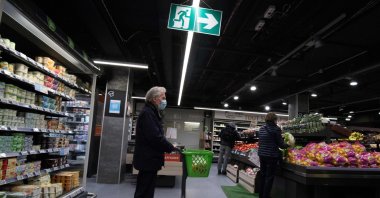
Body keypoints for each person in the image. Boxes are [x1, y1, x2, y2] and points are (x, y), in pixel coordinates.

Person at [133, 86, 176, 198]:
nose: (164, 100)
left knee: (147, 190)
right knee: (144, 191)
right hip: (148, 159)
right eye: (163, 97)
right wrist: (171, 148)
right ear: (155, 98)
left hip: (150, 160)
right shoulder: (148, 113)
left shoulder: (152, 112)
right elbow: (155, 137)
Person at [258, 112, 289, 198]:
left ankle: (261, 195)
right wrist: (288, 144)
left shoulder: (261, 128)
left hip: (262, 154)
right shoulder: (276, 129)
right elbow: (281, 144)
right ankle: (266, 196)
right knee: (269, 177)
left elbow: (260, 142)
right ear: (275, 120)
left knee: (263, 175)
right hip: (271, 155)